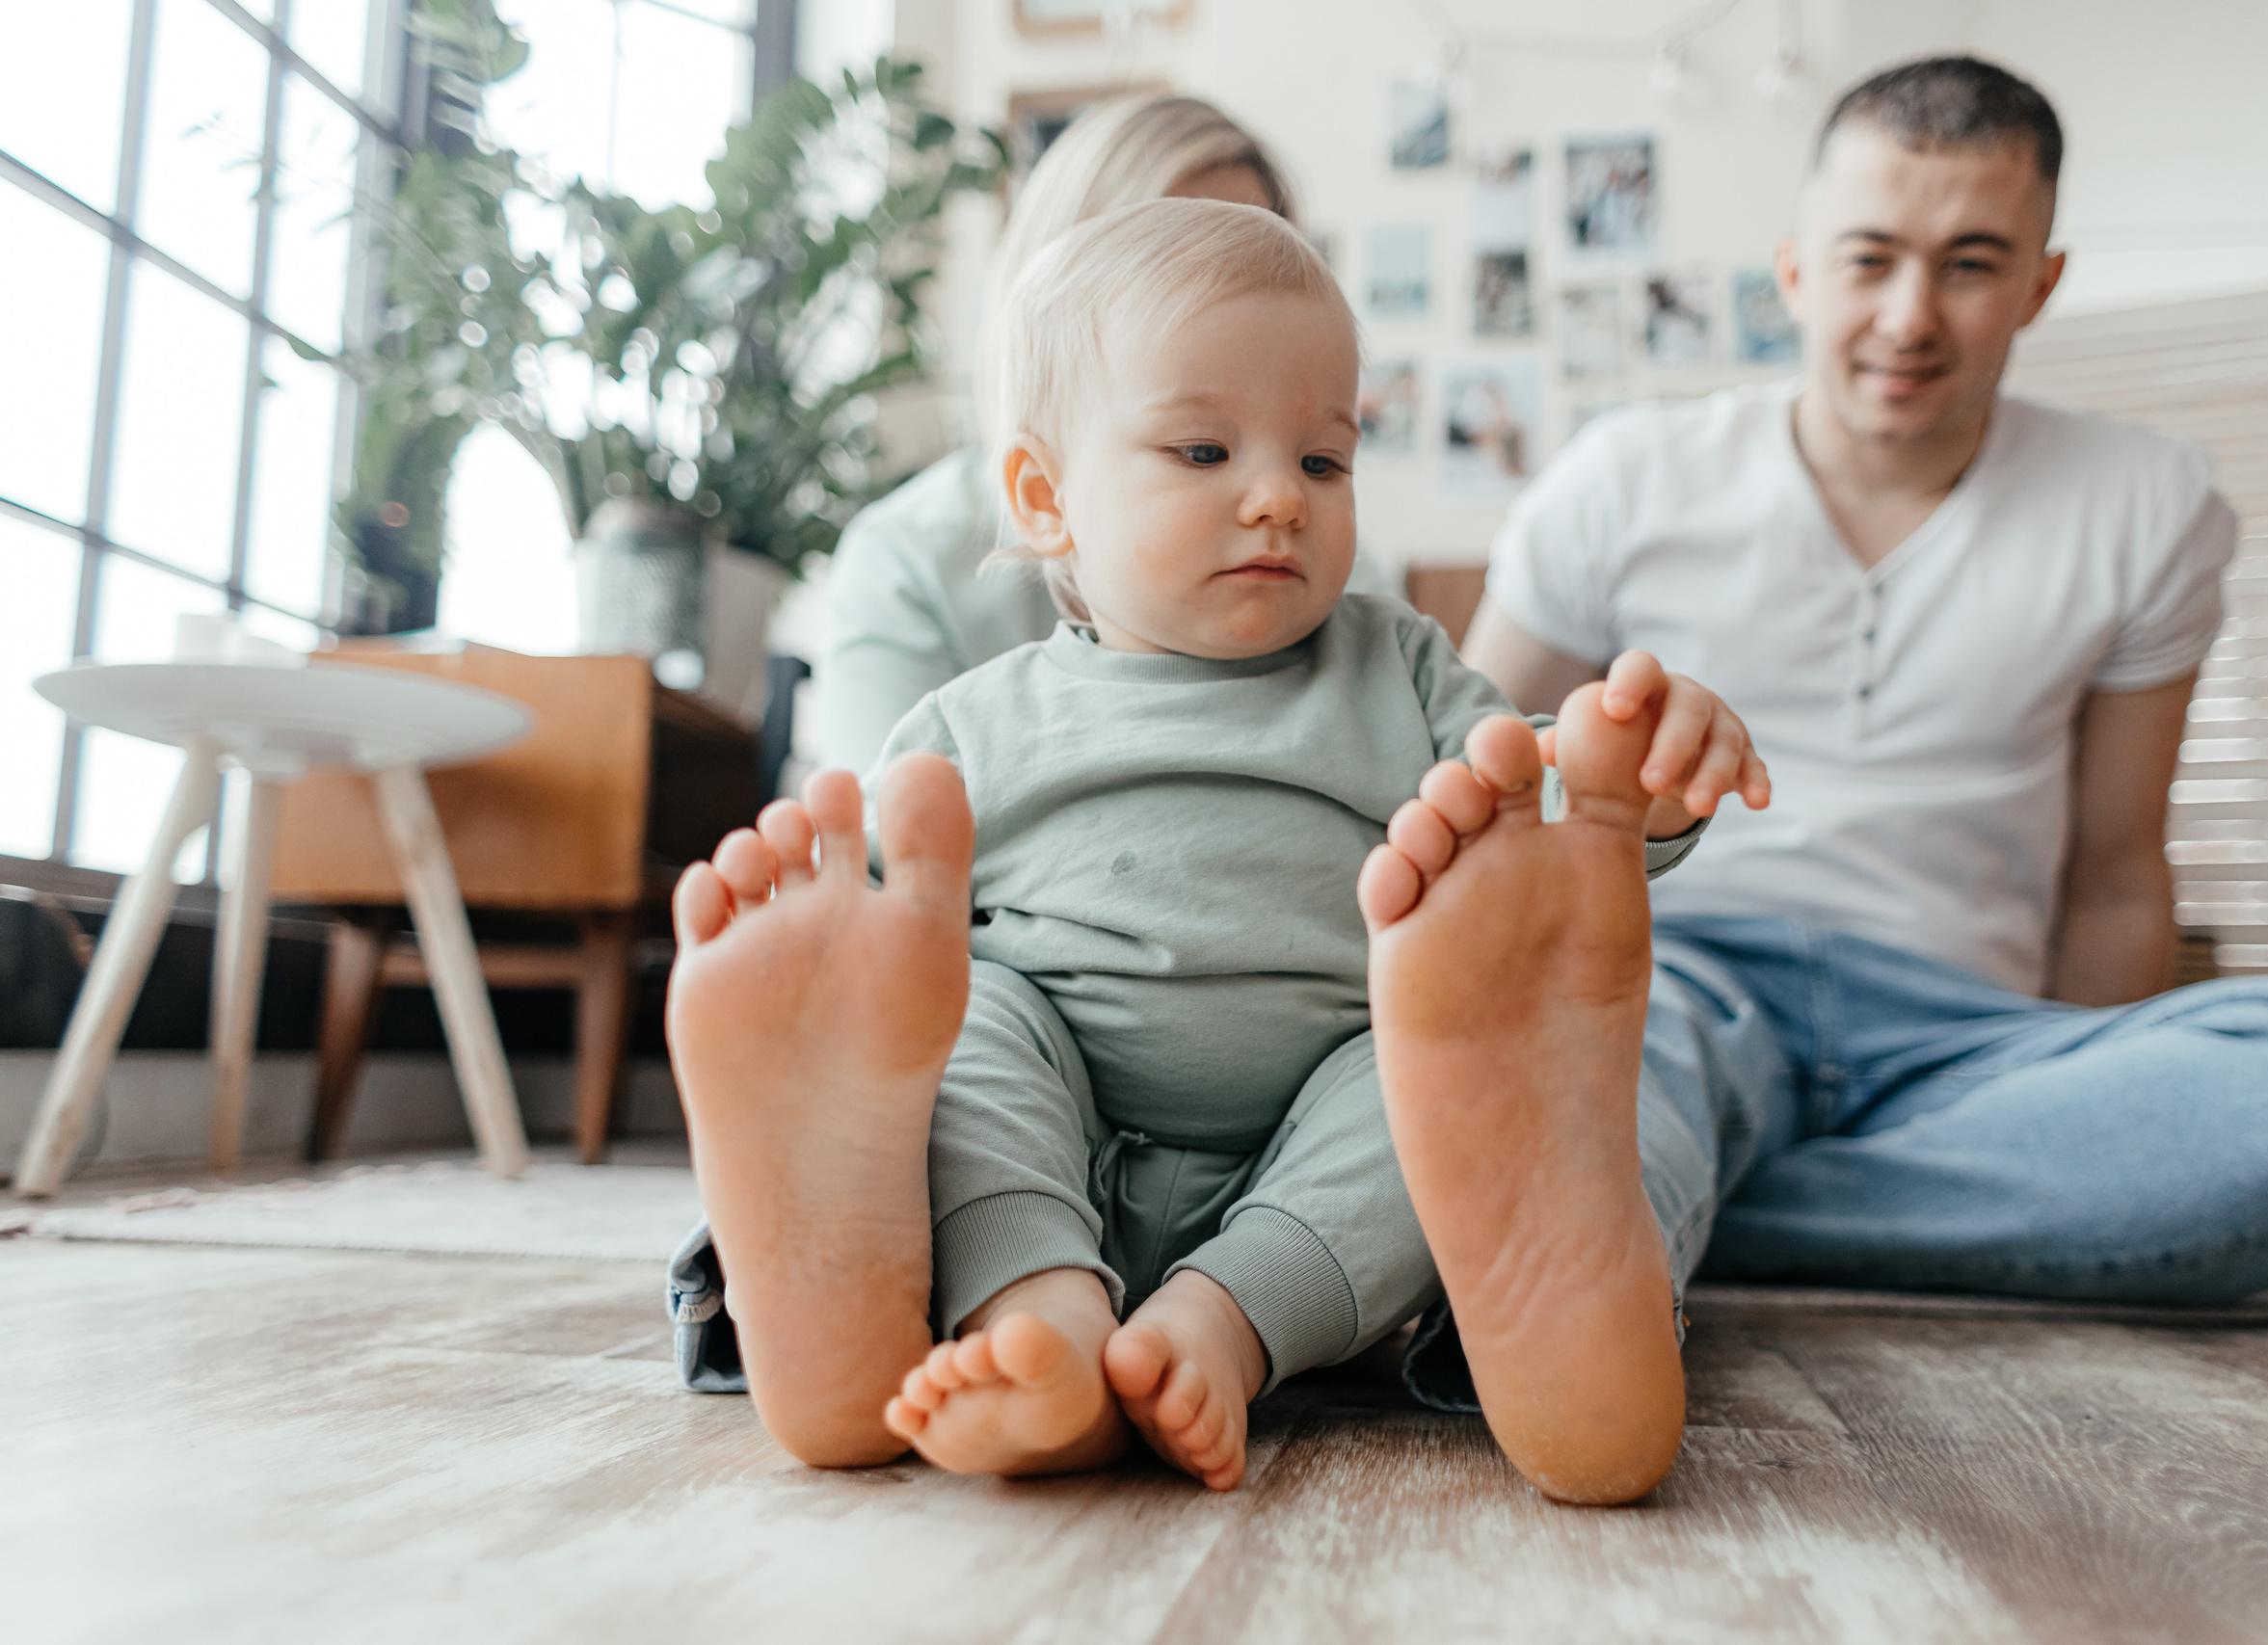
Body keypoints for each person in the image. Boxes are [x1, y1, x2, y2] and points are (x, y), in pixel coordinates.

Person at [660, 199, 1772, 1506]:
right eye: (1202, 448)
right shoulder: (966, 727)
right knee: (969, 1027)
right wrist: (837, 989)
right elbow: (880, 965)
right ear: (1044, 494)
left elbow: (1530, 824)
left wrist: (1624, 782)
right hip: (1051, 1139)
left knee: (1428, 1080)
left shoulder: (1402, 668)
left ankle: (1220, 1324)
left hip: (1314, 1167)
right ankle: (1035, 1320)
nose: (1274, 498)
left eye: (1325, 460)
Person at [1459, 56, 2268, 1305]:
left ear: (2043, 283)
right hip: (1670, 975)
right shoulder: (1616, 479)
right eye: (1869, 258)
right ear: (1795, 269)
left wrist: (2098, 1095)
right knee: (1607, 1069)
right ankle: (1676, 1201)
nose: (1909, 316)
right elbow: (1455, 782)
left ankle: (1697, 1214)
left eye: (1973, 263)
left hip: (1965, 1043)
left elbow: (2113, 875)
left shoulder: (2149, 503)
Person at [814, 93, 1393, 777]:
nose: (1277, 499)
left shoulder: (1313, 560)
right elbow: (879, 840)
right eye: (1170, 262)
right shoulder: (909, 560)